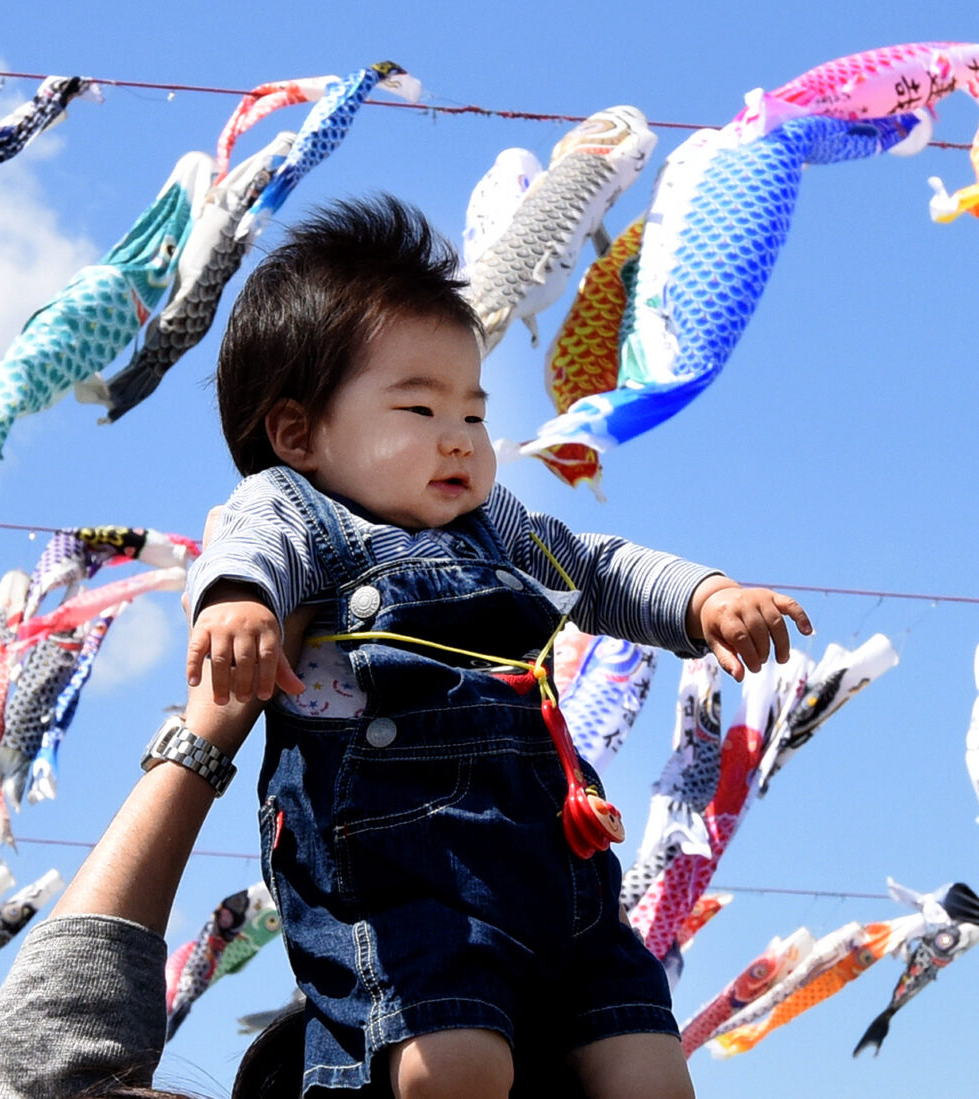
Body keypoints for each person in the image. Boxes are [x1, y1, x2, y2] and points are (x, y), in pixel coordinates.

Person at [179, 195, 810, 1098]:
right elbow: (250, 552)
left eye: (473, 415)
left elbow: (598, 567)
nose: (460, 440)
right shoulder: (299, 510)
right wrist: (238, 603)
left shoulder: (496, 525)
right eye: (420, 407)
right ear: (298, 434)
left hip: (558, 864)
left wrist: (703, 597)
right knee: (453, 1066)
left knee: (651, 1072)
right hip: (400, 869)